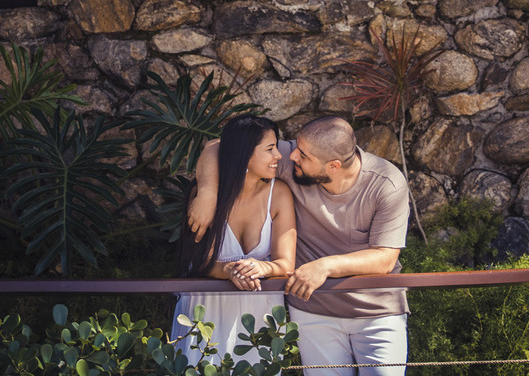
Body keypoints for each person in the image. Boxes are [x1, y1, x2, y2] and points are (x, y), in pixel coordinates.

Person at [189, 116, 410, 376]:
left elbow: (384, 259)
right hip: (312, 309)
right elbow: (220, 146)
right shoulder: (292, 161)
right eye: (295, 146)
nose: (291, 156)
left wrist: (325, 266)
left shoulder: (386, 184)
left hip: (376, 313)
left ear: (333, 166)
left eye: (302, 155)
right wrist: (206, 192)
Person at [172, 115, 297, 368]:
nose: (279, 156)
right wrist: (227, 270)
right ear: (244, 154)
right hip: (207, 309)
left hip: (258, 312)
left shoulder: (279, 193)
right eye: (270, 149)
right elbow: (197, 260)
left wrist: (264, 267)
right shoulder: (206, 197)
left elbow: (286, 262)